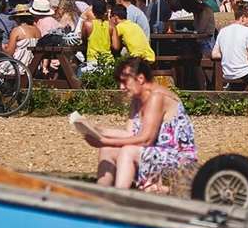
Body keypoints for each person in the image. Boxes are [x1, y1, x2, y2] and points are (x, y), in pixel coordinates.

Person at [80, 57, 197, 190]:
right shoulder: (138, 98)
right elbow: (130, 134)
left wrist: (104, 140)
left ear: (140, 79)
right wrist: (97, 130)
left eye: (124, 82)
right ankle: (99, 195)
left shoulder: (156, 97)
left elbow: (146, 139)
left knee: (128, 150)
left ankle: (120, 197)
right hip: (154, 151)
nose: (121, 87)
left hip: (177, 157)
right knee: (107, 150)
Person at [213, 5, 248, 90]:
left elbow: (214, 54)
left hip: (227, 73)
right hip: (244, 72)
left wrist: (228, 53)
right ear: (243, 18)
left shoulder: (223, 31)